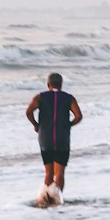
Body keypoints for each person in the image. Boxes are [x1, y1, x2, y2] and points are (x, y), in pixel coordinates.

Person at [25, 72, 82, 207]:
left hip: (45, 138)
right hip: (62, 138)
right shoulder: (69, 98)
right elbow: (78, 116)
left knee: (48, 172)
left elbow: (28, 111)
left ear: (48, 84)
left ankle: (45, 200)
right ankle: (57, 202)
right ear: (61, 85)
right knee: (60, 173)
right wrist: (68, 125)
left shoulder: (39, 97)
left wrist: (36, 125)